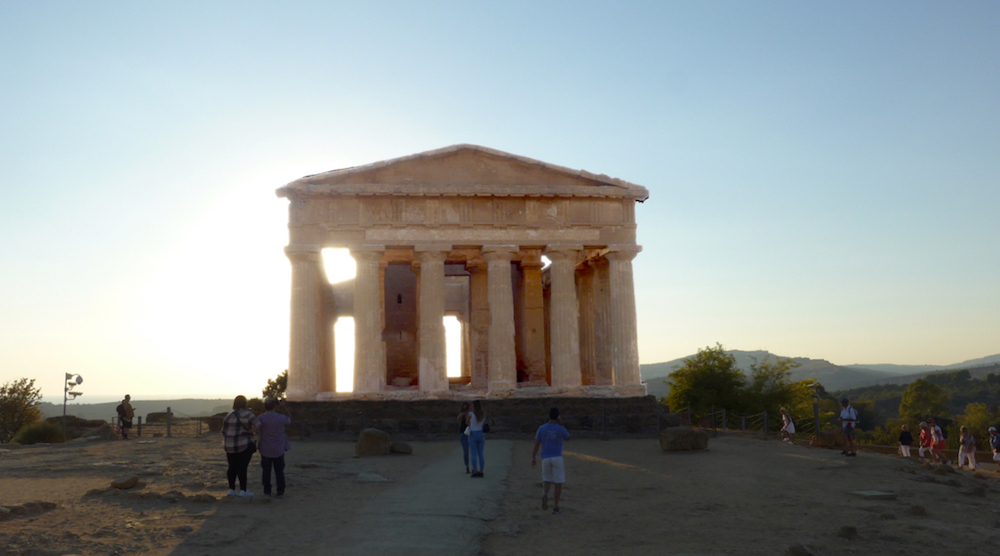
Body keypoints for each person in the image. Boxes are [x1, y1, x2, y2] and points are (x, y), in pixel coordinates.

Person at [532, 407, 570, 515]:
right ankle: (556, 506)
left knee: (546, 480)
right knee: (558, 483)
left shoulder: (542, 428)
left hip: (546, 457)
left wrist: (533, 456)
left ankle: (545, 494)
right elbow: (568, 437)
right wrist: (561, 425)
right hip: (557, 457)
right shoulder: (560, 428)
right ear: (558, 417)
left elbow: (537, 443)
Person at [222, 395, 259, 498]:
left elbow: (223, 431)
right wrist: (250, 431)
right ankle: (243, 490)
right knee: (242, 467)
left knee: (231, 467)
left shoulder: (229, 416)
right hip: (244, 444)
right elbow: (258, 425)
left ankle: (231, 489)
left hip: (229, 446)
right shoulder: (248, 415)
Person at [257, 398, 292, 498]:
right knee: (279, 471)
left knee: (266, 471)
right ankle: (280, 491)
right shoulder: (281, 418)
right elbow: (289, 419)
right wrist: (284, 407)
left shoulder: (261, 418)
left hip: (265, 448)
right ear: (275, 407)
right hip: (278, 448)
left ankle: (267, 491)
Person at [468, 400, 486, 478]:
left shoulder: (471, 414)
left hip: (473, 433)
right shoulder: (483, 414)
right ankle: (481, 470)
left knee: (473, 453)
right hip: (481, 433)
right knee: (481, 453)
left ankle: (475, 470)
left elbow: (467, 422)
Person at [458, 402, 471, 474]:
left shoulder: (471, 415)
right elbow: (459, 420)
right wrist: (461, 415)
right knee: (466, 452)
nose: (465, 410)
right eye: (464, 408)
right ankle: (467, 467)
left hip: (470, 434)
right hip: (463, 434)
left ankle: (473, 467)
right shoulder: (461, 415)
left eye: (466, 408)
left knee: (473, 452)